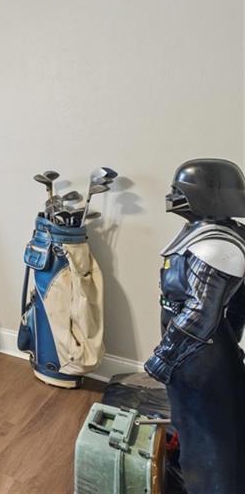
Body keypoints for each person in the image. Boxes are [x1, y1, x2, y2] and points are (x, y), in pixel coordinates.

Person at [144, 159, 245, 493]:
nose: (173, 196)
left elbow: (199, 316)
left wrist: (162, 360)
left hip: (199, 357)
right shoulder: (209, 235)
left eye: (180, 190)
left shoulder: (215, 247)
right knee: (193, 432)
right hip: (201, 356)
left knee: (208, 445)